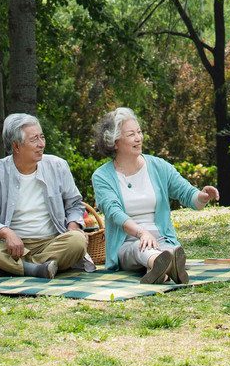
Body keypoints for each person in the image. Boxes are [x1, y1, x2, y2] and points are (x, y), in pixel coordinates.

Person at [92, 107, 219, 284]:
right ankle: (164, 265)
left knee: (169, 250)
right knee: (141, 248)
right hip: (127, 244)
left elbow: (186, 193)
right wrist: (141, 232)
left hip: (162, 240)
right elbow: (114, 213)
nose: (138, 138)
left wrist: (202, 196)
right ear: (115, 142)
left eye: (139, 132)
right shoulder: (102, 176)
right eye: (131, 134)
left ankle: (163, 269)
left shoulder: (158, 166)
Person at [0, 113, 89, 279]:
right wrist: (7, 233)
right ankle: (37, 268)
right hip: (10, 246)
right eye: (34, 139)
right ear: (16, 147)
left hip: (51, 243)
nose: (41, 144)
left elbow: (74, 204)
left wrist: (73, 226)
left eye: (42, 137)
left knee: (77, 242)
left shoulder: (58, 166)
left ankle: (11, 268)